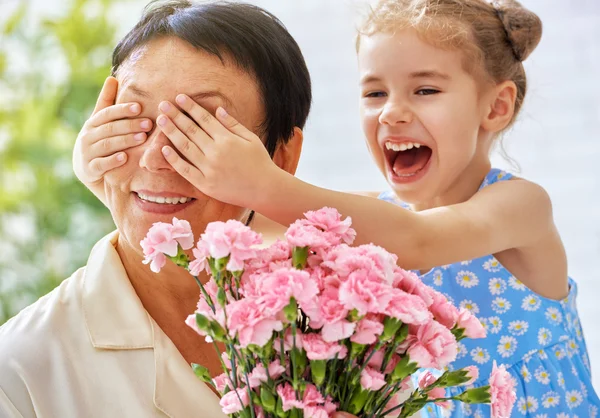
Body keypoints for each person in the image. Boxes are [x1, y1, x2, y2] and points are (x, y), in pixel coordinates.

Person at [113, 0, 597, 416]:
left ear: (496, 107)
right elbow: (216, 225)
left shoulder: (520, 205)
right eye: (374, 93)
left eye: (425, 90)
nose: (392, 112)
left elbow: (419, 241)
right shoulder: (368, 221)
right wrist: (109, 180)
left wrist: (262, 181)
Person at [0, 1, 311, 416]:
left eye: (197, 127)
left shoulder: (340, 313)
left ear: (282, 157)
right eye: (133, 121)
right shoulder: (21, 369)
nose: (153, 158)